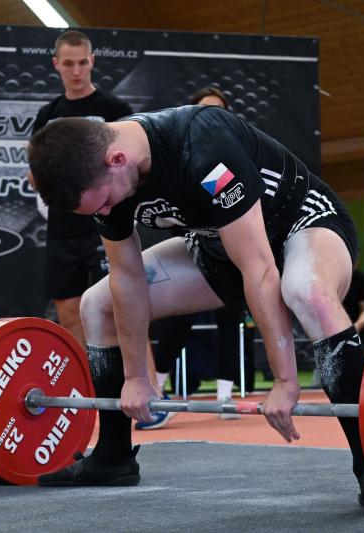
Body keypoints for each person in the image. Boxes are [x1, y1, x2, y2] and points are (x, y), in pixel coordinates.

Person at [27, 105, 364, 514]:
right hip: (219, 247)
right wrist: (135, 377)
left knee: (306, 291)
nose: (107, 213)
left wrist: (285, 380)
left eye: (107, 202)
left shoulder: (203, 146)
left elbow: (259, 269)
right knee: (97, 304)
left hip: (303, 225)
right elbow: (127, 278)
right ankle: (113, 458)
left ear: (116, 160)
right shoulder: (104, 179)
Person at [139, 85, 248, 430]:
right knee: (177, 321)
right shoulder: (181, 155)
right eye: (205, 110)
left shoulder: (241, 151)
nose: (212, 118)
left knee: (231, 322)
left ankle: (225, 398)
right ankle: (156, 391)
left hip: (234, 252)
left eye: (219, 111)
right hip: (193, 250)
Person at [32, 30, 133, 346]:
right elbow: (35, 175)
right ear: (56, 64)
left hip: (107, 225)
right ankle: (83, 376)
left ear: (92, 61)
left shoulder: (114, 109)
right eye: (68, 63)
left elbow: (132, 165)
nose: (76, 71)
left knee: (122, 308)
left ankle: (138, 377)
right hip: (63, 227)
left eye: (82, 63)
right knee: (68, 311)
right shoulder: (48, 115)